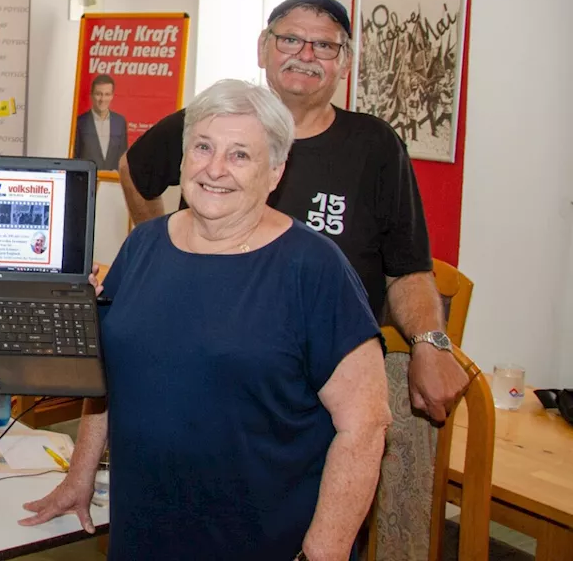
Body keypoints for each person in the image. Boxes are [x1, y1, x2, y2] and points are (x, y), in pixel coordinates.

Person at [23, 79, 392, 559]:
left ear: (276, 171)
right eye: (203, 147)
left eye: (241, 155)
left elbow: (365, 425)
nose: (215, 169)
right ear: (183, 157)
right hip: (144, 532)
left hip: (263, 541)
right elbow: (109, 379)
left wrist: (325, 550)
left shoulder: (314, 268)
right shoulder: (144, 245)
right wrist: (80, 475)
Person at [117, 0, 468, 424]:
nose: (305, 55)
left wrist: (431, 343)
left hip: (327, 373)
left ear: (345, 63)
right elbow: (133, 168)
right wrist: (163, 246)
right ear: (263, 47)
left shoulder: (375, 146)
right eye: (289, 40)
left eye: (324, 46)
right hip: (208, 353)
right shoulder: (218, 122)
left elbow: (408, 269)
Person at [72, 74, 128, 171]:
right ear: (91, 95)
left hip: (111, 183)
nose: (102, 99)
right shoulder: (79, 123)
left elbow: (123, 158)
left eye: (107, 94)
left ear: (112, 96)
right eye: (98, 94)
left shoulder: (120, 122)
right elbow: (74, 159)